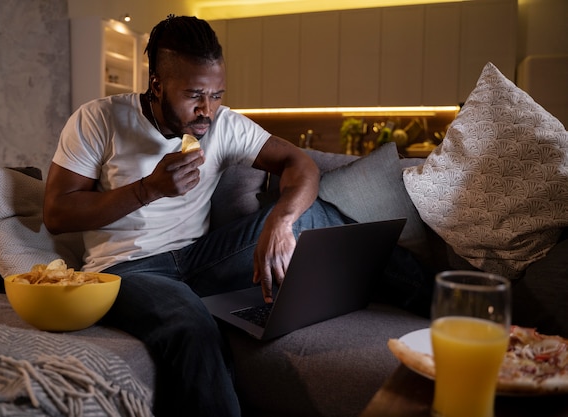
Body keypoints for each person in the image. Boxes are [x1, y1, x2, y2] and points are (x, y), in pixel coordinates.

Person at [43, 15, 353, 417]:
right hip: (127, 270)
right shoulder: (97, 119)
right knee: (191, 325)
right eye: (194, 95)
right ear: (156, 84)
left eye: (217, 94)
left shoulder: (222, 124)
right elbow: (56, 212)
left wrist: (281, 220)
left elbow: (300, 164)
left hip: (202, 258)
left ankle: (437, 297)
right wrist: (148, 190)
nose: (207, 110)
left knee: (316, 215)